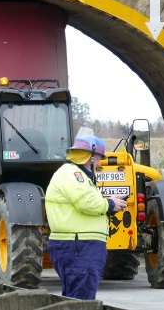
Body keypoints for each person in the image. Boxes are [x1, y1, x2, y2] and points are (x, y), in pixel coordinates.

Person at [44, 127, 127, 300]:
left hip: (78, 246)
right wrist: (110, 204)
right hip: (79, 248)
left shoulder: (74, 176)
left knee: (75, 298)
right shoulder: (74, 175)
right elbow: (87, 202)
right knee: (82, 299)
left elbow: (87, 200)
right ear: (90, 156)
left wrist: (108, 200)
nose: (99, 164)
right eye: (98, 159)